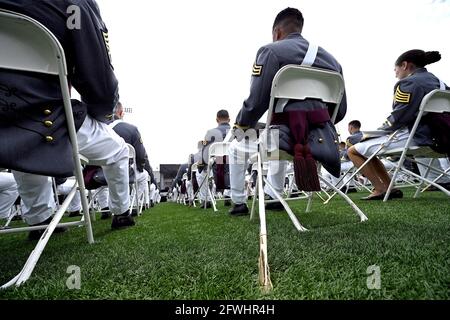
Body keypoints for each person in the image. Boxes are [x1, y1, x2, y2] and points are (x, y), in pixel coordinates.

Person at [0, 0, 134, 238]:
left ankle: (39, 220)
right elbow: (98, 77)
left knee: (21, 137)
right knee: (120, 152)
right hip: (48, 115)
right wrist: (103, 113)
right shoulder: (74, 3)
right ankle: (121, 213)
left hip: (7, 123)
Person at [228, 7, 347, 216]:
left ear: (277, 33)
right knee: (275, 138)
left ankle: (239, 203)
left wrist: (241, 125)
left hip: (282, 139)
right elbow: (341, 110)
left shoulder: (271, 51)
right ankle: (275, 196)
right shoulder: (333, 61)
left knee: (237, 147)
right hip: (318, 140)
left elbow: (256, 102)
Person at [348, 49, 449, 200]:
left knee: (353, 151)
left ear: (404, 65)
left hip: (419, 136)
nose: (395, 73)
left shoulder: (407, 83)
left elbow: (397, 119)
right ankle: (388, 187)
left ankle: (381, 188)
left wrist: (372, 134)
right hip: (443, 137)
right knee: (367, 149)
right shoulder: (441, 84)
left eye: (395, 69)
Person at [195, 110, 232, 208]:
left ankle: (205, 200)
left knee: (200, 174)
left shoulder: (210, 132)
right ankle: (228, 194)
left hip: (218, 162)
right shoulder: (236, 131)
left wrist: (201, 165)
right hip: (234, 162)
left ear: (217, 120)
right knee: (234, 169)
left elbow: (204, 150)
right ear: (229, 119)